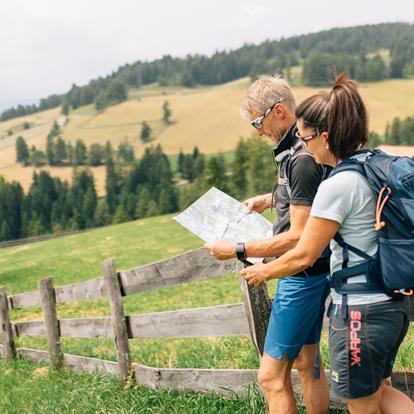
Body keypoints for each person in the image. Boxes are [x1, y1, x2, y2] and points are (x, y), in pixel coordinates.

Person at [239, 74, 414, 414]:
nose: (303, 146)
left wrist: (262, 269)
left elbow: (304, 251)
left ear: (325, 136)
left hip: (359, 312)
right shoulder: (373, 163)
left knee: (361, 403)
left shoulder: (338, 185)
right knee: (381, 393)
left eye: (305, 138)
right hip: (392, 306)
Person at [204, 75, 330, 414]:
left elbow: (299, 236)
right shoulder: (297, 151)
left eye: (258, 122)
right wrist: (269, 199)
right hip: (314, 272)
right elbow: (305, 197)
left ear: (279, 112)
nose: (257, 131)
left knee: (270, 377)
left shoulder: (300, 159)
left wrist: (237, 249)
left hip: (300, 276)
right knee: (307, 361)